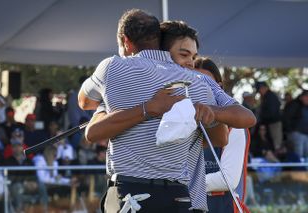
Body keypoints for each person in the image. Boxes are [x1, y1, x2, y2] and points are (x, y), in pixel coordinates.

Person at [81, 10, 255, 213]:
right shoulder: (196, 83)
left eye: (194, 56)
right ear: (163, 50)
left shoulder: (196, 82)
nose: (191, 62)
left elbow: (86, 107)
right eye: (184, 54)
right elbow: (92, 131)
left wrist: (209, 113)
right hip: (178, 197)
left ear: (125, 41)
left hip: (159, 195)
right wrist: (150, 109)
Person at [194, 57, 251, 212]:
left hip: (220, 206)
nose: (198, 88)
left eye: (205, 82)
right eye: (192, 81)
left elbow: (228, 179)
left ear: (218, 86)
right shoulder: (182, 121)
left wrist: (184, 183)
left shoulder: (235, 126)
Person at [255, 81, 283, 151]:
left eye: (260, 89)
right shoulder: (266, 97)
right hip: (270, 123)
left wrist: (263, 120)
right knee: (272, 143)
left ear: (265, 88)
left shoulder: (271, 96)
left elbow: (272, 112)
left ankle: (277, 158)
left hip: (274, 123)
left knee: (277, 145)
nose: (259, 91)